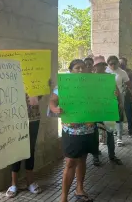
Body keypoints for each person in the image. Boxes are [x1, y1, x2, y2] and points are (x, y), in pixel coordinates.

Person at [49, 59, 95, 202]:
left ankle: (80, 189)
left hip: (88, 129)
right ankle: (64, 197)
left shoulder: (92, 85)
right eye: (77, 68)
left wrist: (112, 96)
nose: (81, 70)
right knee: (70, 162)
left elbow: (102, 100)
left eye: (83, 68)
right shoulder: (64, 85)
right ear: (70, 70)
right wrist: (55, 108)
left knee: (82, 159)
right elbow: (52, 101)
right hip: (72, 131)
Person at [6, 94, 44, 198]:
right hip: (16, 117)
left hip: (33, 117)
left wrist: (43, 87)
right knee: (16, 149)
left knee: (30, 149)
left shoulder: (36, 76)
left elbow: (39, 96)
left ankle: (30, 182)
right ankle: (14, 184)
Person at [91, 56, 123, 166]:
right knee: (95, 133)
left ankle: (112, 155)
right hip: (95, 110)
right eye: (99, 65)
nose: (101, 67)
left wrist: (120, 101)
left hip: (108, 109)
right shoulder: (90, 78)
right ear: (95, 66)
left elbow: (116, 90)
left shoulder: (109, 77)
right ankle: (95, 156)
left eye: (103, 65)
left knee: (110, 132)